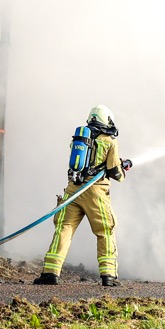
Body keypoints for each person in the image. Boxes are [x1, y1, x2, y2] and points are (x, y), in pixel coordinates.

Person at [36, 104, 131, 287]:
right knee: (105, 230)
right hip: (95, 192)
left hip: (73, 190)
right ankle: (109, 275)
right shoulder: (110, 141)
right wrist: (123, 168)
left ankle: (50, 273)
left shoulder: (79, 138)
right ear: (107, 120)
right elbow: (115, 172)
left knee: (64, 228)